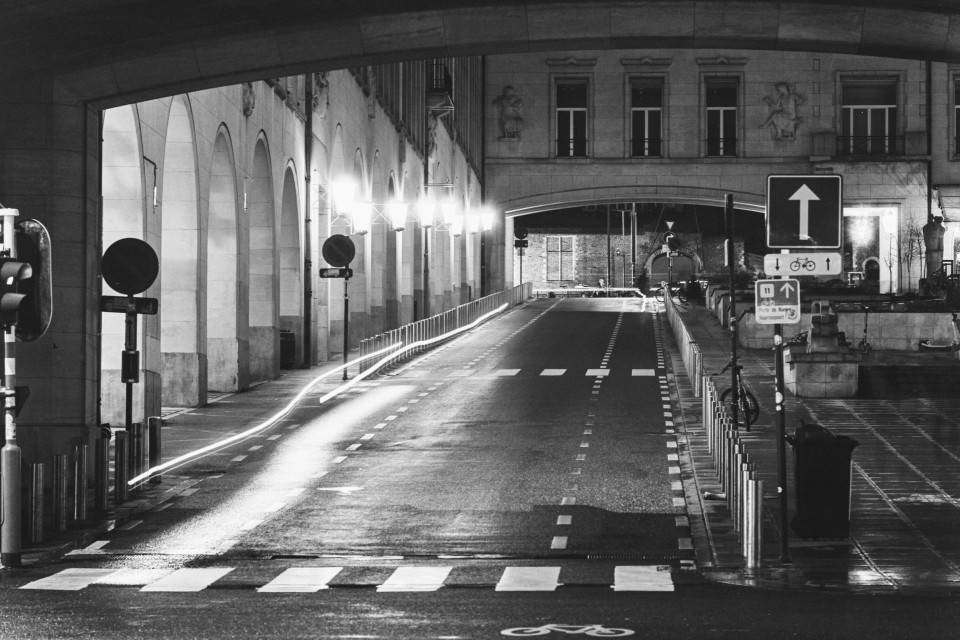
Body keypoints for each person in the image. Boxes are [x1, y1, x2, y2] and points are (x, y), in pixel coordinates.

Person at [923, 215, 946, 281]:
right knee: (932, 267)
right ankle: (930, 281)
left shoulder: (937, 228)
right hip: (934, 251)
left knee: (932, 268)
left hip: (933, 251)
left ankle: (930, 280)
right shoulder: (938, 228)